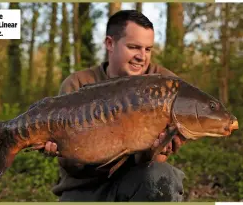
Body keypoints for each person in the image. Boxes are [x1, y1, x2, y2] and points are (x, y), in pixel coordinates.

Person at [42, 10, 186, 201]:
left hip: (137, 181)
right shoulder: (78, 83)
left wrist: (158, 149)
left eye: (148, 49)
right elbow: (72, 167)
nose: (142, 57)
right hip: (85, 187)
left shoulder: (165, 85)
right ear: (110, 44)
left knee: (161, 176)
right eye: (134, 47)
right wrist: (62, 149)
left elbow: (154, 164)